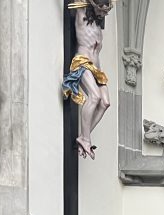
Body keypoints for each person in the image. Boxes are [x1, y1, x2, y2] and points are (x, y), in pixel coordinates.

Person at [62, 0, 112, 159]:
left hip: (97, 69)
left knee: (105, 103)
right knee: (95, 97)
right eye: (103, 10)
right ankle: (85, 139)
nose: (105, 15)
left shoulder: (97, 26)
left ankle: (84, 136)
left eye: (107, 11)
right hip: (82, 62)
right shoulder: (81, 13)